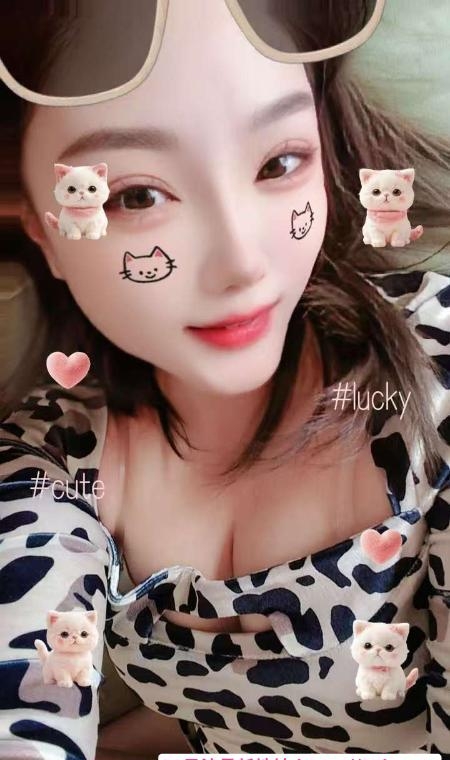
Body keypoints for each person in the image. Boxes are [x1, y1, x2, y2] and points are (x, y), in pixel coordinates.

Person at [1, 1, 449, 758]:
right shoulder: (48, 463)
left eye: (279, 163)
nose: (242, 262)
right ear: (44, 231)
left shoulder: (430, 382)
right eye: (137, 196)